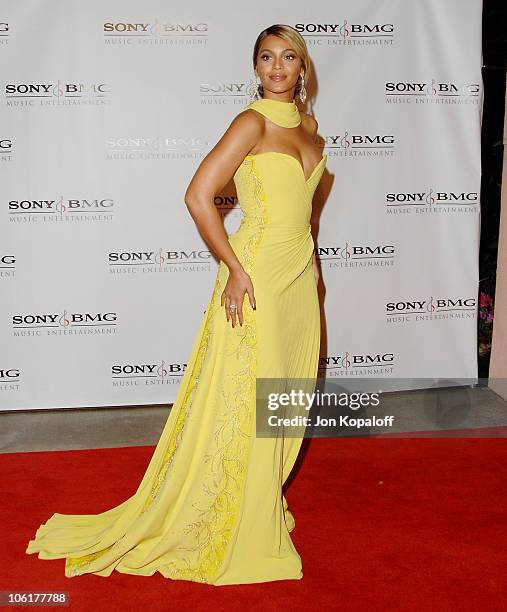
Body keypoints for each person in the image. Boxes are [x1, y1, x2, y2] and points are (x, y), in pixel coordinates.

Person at [25, 24, 327, 585]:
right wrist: (234, 269)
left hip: (298, 280)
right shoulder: (251, 122)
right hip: (256, 278)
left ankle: (258, 498)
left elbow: (301, 215)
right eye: (266, 57)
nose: (278, 67)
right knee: (248, 398)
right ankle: (234, 515)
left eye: (289, 58)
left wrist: (316, 274)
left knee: (283, 395)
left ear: (303, 68)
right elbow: (198, 195)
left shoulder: (308, 125)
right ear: (255, 67)